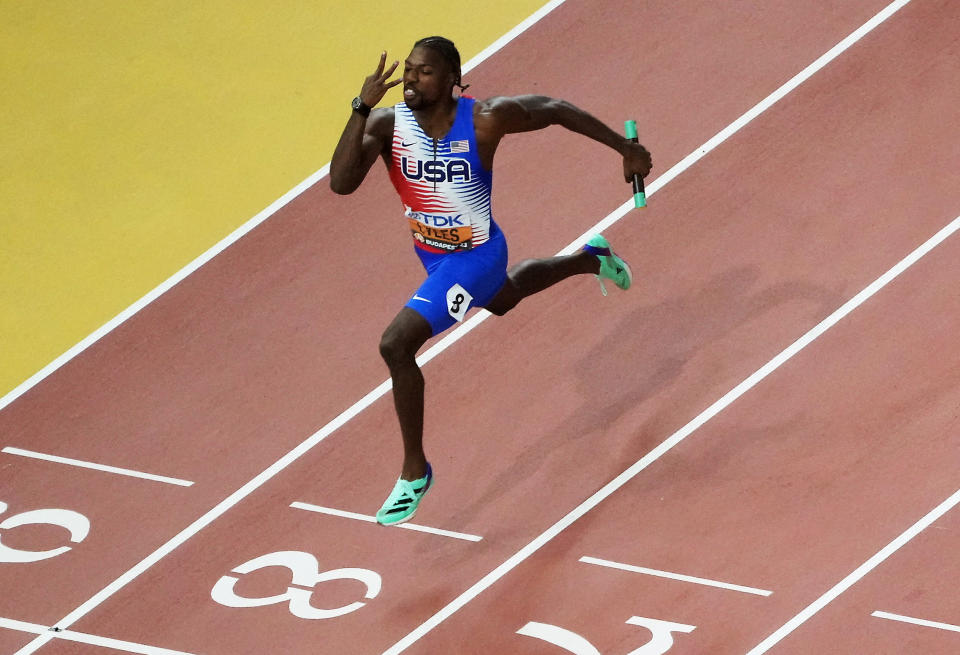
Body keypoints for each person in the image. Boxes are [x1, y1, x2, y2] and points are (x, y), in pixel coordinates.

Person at [330, 36, 651, 525]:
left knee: (396, 344)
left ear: (451, 80)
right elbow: (341, 182)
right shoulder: (386, 123)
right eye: (410, 69)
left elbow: (554, 108)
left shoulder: (484, 119)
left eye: (425, 72)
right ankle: (592, 257)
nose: (412, 78)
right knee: (502, 299)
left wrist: (623, 147)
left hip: (478, 253)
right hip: (433, 256)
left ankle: (415, 472)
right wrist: (359, 108)